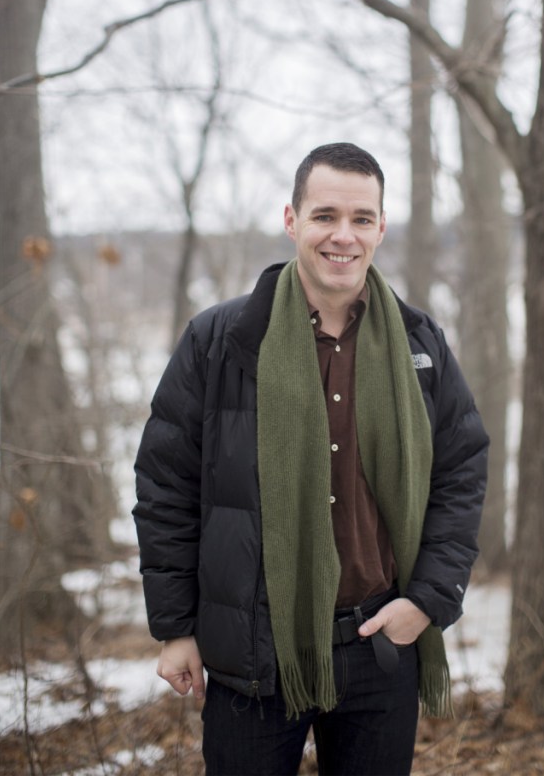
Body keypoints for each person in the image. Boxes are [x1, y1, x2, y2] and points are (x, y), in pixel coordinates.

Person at [133, 142, 488, 776]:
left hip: (381, 642)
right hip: (253, 653)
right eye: (325, 215)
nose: (342, 236)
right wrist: (175, 628)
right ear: (293, 221)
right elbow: (166, 488)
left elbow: (461, 473)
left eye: (361, 218)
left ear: (381, 227)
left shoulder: (419, 342)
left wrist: (428, 601)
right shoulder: (218, 342)